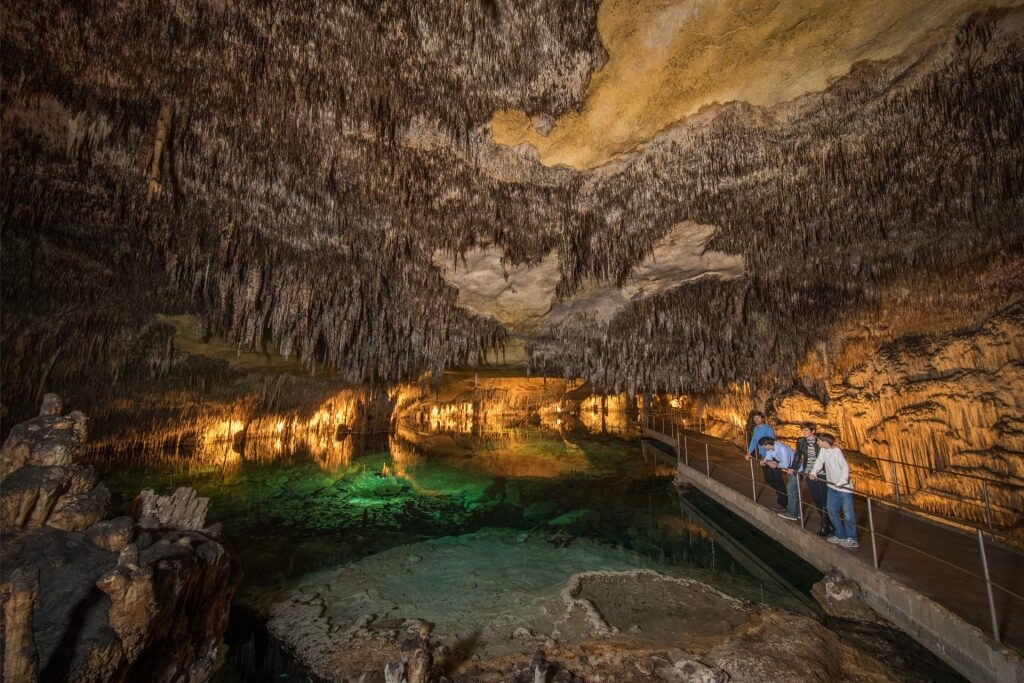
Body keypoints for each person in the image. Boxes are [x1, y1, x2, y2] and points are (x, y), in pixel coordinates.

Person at [809, 434, 858, 548]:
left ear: (825, 442)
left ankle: (852, 538)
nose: (817, 443)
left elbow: (845, 467)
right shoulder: (823, 450)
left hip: (844, 488)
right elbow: (819, 462)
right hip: (831, 486)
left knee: (848, 514)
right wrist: (813, 472)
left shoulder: (837, 452)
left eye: (819, 441)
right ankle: (840, 535)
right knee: (831, 510)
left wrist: (842, 481)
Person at [794, 422, 833, 536]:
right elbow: (798, 455)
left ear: (813, 431)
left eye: (806, 430)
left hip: (821, 474)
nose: (804, 432)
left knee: (823, 498)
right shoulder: (801, 441)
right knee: (816, 499)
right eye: (803, 430)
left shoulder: (820, 442)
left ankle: (825, 526)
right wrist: (793, 467)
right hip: (809, 473)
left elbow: (824, 458)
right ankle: (828, 523)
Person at [759, 437, 795, 514]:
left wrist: (776, 465)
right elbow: (768, 457)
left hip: (795, 469)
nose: (763, 448)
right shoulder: (771, 448)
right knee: (789, 489)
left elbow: (785, 464)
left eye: (763, 446)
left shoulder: (782, 448)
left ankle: (793, 511)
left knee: (791, 489)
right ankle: (790, 508)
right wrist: (764, 461)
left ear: (768, 444)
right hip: (788, 470)